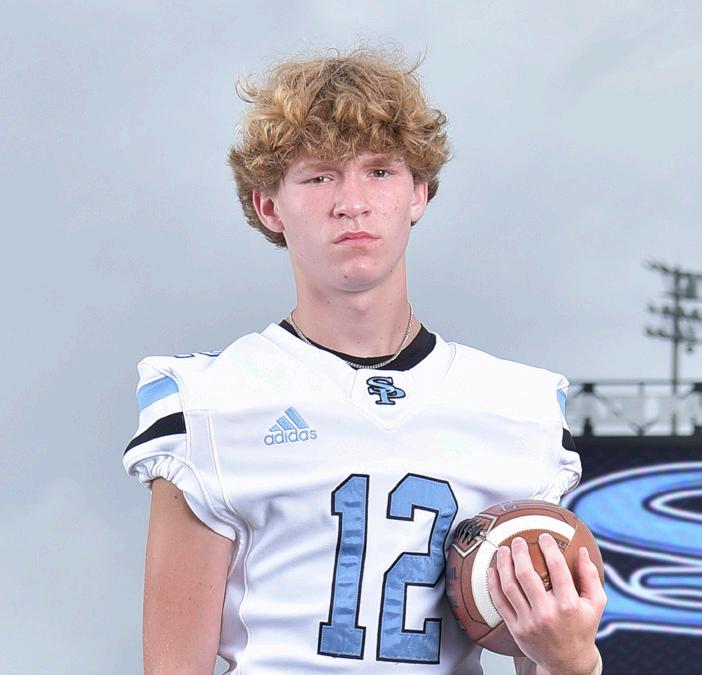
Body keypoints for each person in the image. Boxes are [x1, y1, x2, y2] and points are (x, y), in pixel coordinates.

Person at [123, 49, 605, 674]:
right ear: (269, 206)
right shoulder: (211, 401)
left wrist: (573, 660)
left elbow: (549, 659)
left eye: (379, 172)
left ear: (418, 193)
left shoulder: (518, 409)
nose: (352, 202)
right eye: (319, 177)